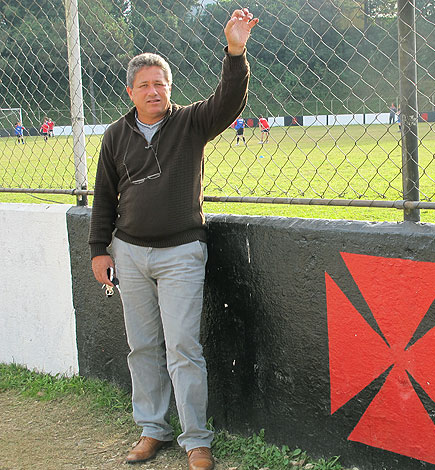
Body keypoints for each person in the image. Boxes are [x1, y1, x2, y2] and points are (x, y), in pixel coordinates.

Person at [88, 8, 258, 470]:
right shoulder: (115, 135)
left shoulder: (191, 122)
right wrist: (99, 250)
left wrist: (235, 52)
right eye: (144, 85)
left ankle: (196, 440)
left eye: (160, 84)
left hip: (182, 252)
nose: (153, 91)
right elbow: (103, 197)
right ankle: (152, 429)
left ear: (170, 87)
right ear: (130, 92)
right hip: (128, 253)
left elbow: (228, 101)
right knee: (143, 347)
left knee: (183, 348)